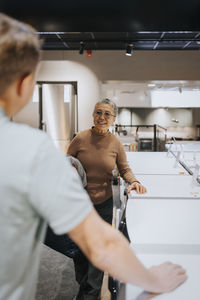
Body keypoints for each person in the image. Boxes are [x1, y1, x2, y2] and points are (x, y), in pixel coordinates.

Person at [0, 12, 187, 300]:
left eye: (106, 113)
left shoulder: (113, 143)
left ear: (112, 118)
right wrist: (152, 278)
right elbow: (101, 243)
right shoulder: (32, 148)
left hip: (100, 203)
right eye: (98, 112)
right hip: (81, 207)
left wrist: (132, 180)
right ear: (25, 84)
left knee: (86, 262)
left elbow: (123, 168)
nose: (101, 116)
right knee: (82, 254)